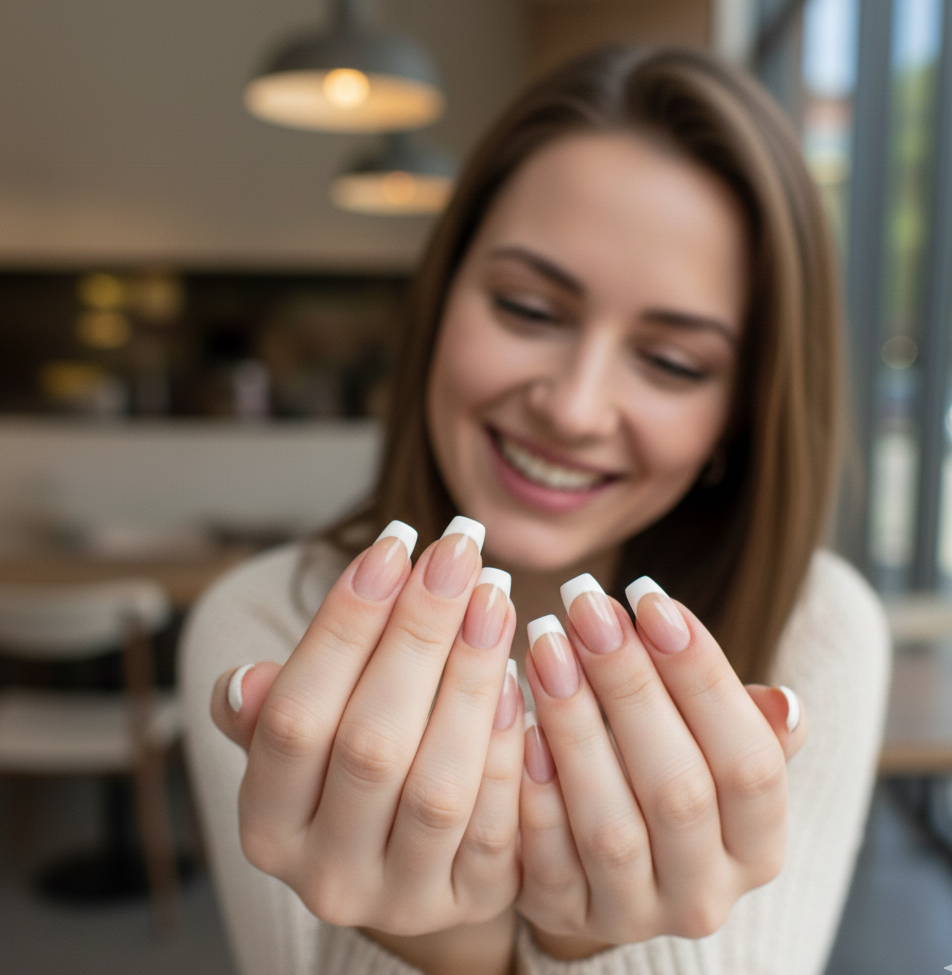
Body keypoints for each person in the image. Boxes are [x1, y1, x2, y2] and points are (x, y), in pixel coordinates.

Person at [181, 45, 890, 975]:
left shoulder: (817, 630)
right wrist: (434, 947)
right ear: (440, 300)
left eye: (672, 361)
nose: (575, 407)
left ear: (742, 414)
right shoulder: (264, 626)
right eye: (527, 307)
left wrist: (594, 940)